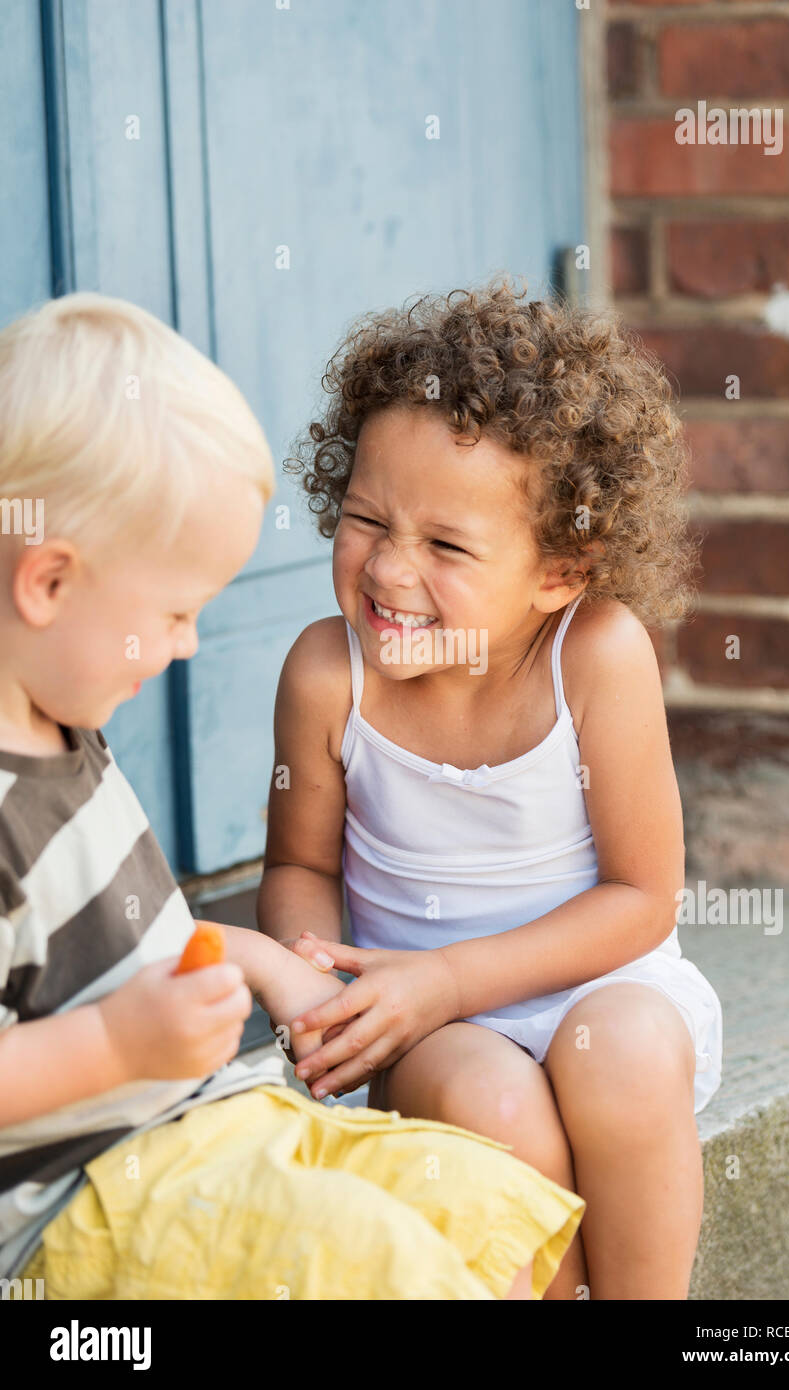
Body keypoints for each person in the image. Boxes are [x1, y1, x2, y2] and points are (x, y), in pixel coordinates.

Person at [0, 291, 584, 1301]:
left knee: (486, 1209)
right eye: (177, 612)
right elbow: (87, 1021)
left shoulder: (66, 726)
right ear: (49, 584)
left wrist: (258, 958)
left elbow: (96, 955)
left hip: (211, 1135)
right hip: (84, 1212)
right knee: (378, 1262)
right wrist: (113, 1045)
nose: (189, 645)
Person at [260, 280, 724, 1301]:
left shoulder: (596, 656)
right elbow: (300, 864)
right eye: (366, 518)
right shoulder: (326, 675)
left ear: (558, 569)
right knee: (491, 1104)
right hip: (431, 1023)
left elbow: (644, 899)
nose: (388, 569)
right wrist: (323, 992)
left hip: (595, 984)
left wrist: (459, 974)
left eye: (446, 545)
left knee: (631, 1053)